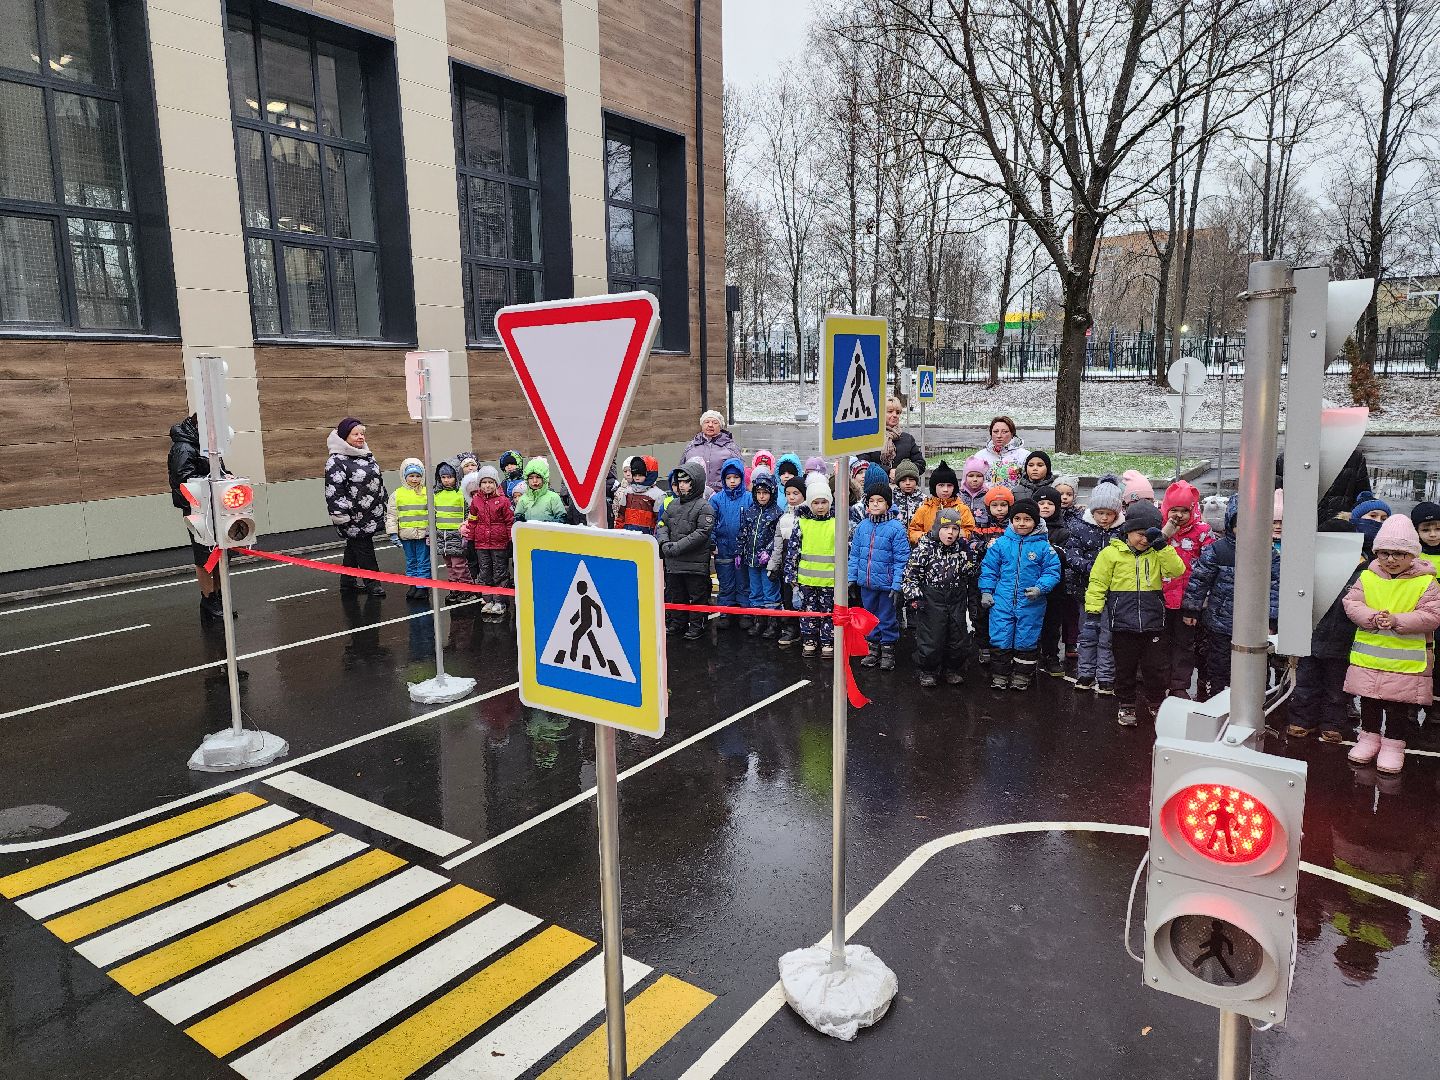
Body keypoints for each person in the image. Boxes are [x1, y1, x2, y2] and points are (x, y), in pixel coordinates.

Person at [1342, 515, 1440, 775]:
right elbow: (1351, 603)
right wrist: (1371, 618)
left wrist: (1398, 620)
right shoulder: (1368, 577)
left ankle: (1394, 745)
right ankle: (1369, 738)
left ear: (1412, 555)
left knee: (1398, 707)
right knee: (1369, 702)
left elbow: (1433, 615)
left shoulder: (1426, 582)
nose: (1391, 559)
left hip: (1404, 662)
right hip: (1369, 659)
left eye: (1398, 553)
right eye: (1384, 553)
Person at [1086, 502, 1185, 726]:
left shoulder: (1158, 551)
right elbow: (1097, 583)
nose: (1144, 540)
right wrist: (1093, 612)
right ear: (1128, 531)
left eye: (1149, 536)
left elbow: (1177, 570)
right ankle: (1127, 704)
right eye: (1140, 535)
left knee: (1155, 667)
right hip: (1122, 622)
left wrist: (1162, 546)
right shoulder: (1110, 554)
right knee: (1125, 667)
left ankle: (1157, 702)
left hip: (1153, 621)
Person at [1181, 494, 1280, 698]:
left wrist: (1272, 617)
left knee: (1256, 662)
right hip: (1220, 622)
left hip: (1254, 623)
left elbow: (1276, 586)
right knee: (1219, 662)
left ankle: (1254, 698)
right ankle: (1217, 694)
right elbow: (1199, 580)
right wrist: (1192, 608)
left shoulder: (1268, 553)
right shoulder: (1218, 550)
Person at [979, 498, 1061, 690]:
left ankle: (1022, 675)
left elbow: (1052, 572)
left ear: (1035, 521)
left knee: (1026, 637)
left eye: (1027, 519)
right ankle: (1000, 674)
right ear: (1011, 520)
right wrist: (986, 591)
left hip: (1031, 602)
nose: (1022, 523)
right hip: (1002, 601)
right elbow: (989, 569)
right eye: (1017, 518)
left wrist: (1041, 587)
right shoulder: (1001, 544)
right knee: (1000, 636)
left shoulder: (1044, 547)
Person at [903, 507, 977, 687]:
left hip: (956, 598)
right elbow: (910, 576)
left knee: (957, 636)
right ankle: (928, 670)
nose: (950, 533)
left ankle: (951, 668)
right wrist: (914, 597)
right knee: (932, 637)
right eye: (945, 528)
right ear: (937, 528)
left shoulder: (962, 550)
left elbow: (971, 573)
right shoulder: (924, 549)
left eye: (954, 529)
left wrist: (974, 552)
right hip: (931, 599)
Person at [1064, 477, 1125, 693]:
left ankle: (1106, 676)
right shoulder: (1080, 528)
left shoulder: (1122, 532)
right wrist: (1094, 568)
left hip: (1112, 594)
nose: (1104, 518)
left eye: (1109, 514)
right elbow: (1071, 554)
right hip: (1086, 592)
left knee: (1107, 637)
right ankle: (1085, 673)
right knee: (1087, 634)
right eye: (1100, 513)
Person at [168, 413, 229, 621]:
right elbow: (184, 480)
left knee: (220, 553)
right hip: (196, 508)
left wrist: (226, 477)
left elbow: (218, 470)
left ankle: (219, 596)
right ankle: (208, 598)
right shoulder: (184, 447)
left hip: (214, 506)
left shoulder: (207, 445)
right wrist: (214, 481)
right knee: (204, 556)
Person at [1159, 480, 1215, 698]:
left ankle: (1179, 685)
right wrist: (1165, 533)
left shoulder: (1202, 532)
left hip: (1188, 599)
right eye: (1174, 510)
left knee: (1185, 644)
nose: (1179, 516)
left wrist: (1199, 601)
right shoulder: (1161, 531)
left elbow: (1208, 566)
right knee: (1160, 642)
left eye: (1185, 510)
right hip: (1161, 598)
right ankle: (1159, 681)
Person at [849, 479, 911, 671]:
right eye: (871, 501)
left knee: (886, 617)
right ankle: (873, 648)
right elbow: (855, 555)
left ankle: (888, 650)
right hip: (867, 584)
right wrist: (851, 578)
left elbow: (902, 559)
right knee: (869, 617)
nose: (875, 504)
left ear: (888, 504)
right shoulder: (862, 527)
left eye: (880, 501)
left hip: (886, 585)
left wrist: (897, 584)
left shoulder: (896, 528)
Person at [324, 416, 387, 597]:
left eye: (362, 433)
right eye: (355, 434)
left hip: (371, 512)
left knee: (354, 546)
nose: (360, 437)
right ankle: (373, 583)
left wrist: (385, 502)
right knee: (364, 546)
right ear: (345, 437)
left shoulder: (367, 455)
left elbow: (377, 482)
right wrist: (340, 514)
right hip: (353, 516)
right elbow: (334, 490)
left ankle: (348, 582)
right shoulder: (336, 461)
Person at [657, 460, 716, 640]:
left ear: (696, 482)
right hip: (674, 564)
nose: (681, 485)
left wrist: (676, 547)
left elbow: (702, 533)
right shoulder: (673, 504)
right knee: (677, 595)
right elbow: (662, 524)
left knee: (697, 596)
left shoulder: (705, 507)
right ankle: (678, 623)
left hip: (694, 565)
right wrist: (664, 543)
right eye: (679, 481)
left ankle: (697, 625)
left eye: (686, 481)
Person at [785, 476, 838, 658]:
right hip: (806, 580)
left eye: (824, 502)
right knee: (808, 612)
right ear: (810, 503)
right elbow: (793, 551)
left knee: (827, 613)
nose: (820, 506)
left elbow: (844, 551)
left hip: (830, 581)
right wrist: (791, 578)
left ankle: (828, 641)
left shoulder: (836, 523)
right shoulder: (802, 522)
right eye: (816, 502)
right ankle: (809, 640)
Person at [968, 485, 1013, 664]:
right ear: (988, 507)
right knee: (981, 613)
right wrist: (983, 546)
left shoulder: (1013, 527)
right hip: (982, 575)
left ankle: (1000, 646)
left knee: (1001, 613)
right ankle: (983, 646)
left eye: (1003, 505)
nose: (1000, 509)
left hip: (1004, 578)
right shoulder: (981, 525)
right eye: (995, 505)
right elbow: (970, 543)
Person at [463, 465, 515, 616]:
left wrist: (510, 539)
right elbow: (472, 520)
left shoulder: (503, 501)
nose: (487, 485)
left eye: (490, 482)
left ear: (496, 484)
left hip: (499, 543)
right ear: (479, 484)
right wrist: (470, 539)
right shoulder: (476, 501)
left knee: (500, 572)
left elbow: (509, 522)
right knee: (485, 571)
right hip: (481, 543)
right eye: (484, 482)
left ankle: (500, 601)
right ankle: (488, 599)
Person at [738, 469, 783, 637]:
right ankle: (759, 621)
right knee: (755, 591)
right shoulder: (750, 512)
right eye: (758, 493)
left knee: (770, 591)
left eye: (765, 493)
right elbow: (743, 532)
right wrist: (739, 552)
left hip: (768, 561)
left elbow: (778, 537)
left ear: (771, 493)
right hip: (751, 560)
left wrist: (768, 551)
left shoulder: (777, 513)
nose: (762, 496)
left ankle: (773, 623)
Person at [1035, 486, 1074, 677]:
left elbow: (1066, 557)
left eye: (1050, 503)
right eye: (1040, 503)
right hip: (1030, 583)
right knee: (1030, 620)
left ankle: (1051, 654)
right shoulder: (1026, 527)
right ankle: (1030, 651)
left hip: (1054, 586)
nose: (1045, 507)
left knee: (1052, 622)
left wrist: (1051, 549)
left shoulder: (1063, 531)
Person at [709, 457, 751, 625]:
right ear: (724, 479)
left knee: (743, 580)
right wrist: (713, 542)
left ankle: (745, 611)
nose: (732, 481)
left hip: (743, 548)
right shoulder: (717, 500)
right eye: (728, 478)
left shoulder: (748, 498)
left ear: (741, 478)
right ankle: (726, 611)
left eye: (736, 477)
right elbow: (710, 522)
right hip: (723, 546)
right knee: (725, 580)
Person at [769, 475, 808, 648]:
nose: (791, 497)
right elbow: (778, 546)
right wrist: (773, 565)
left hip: (805, 567)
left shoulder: (808, 518)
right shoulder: (783, 519)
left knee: (806, 599)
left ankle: (808, 630)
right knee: (788, 599)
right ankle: (791, 628)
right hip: (787, 567)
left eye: (796, 493)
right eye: (788, 493)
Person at [386, 458, 430, 599]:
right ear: (404, 476)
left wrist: (431, 532)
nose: (415, 479)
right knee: (411, 561)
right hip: (405, 535)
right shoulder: (397, 494)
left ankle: (422, 586)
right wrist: (393, 534)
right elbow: (392, 516)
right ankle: (412, 583)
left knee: (423, 561)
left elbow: (432, 513)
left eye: (418, 476)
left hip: (423, 535)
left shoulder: (427, 493)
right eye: (411, 476)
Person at [907, 460, 976, 544]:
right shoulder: (924, 509)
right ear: (934, 487)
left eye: (949, 485)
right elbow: (913, 531)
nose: (945, 489)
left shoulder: (962, 509)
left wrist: (954, 535)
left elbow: (969, 530)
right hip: (930, 551)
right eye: (941, 485)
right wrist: (929, 537)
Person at [432, 461, 470, 601]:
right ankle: (454, 588)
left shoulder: (461, 494)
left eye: (450, 477)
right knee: (449, 564)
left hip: (457, 535)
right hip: (442, 536)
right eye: (443, 477)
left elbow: (468, 513)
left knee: (459, 564)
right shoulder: (436, 494)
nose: (446, 480)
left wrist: (466, 531)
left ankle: (466, 588)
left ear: (456, 477)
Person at [860, 398, 927, 476]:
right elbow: (863, 463)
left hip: (902, 486)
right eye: (890, 411)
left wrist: (901, 473)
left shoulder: (908, 439)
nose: (895, 415)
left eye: (898, 412)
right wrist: (888, 471)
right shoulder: (870, 437)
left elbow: (920, 464)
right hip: (875, 485)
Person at [681, 410, 740, 494]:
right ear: (702, 425)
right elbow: (682, 469)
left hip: (722, 494)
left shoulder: (730, 447)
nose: (710, 425)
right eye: (707, 422)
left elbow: (740, 470)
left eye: (715, 422)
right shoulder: (692, 446)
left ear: (721, 426)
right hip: (694, 494)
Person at [612, 455, 665, 535]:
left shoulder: (658, 495)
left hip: (647, 538)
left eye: (640, 475)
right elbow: (621, 515)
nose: (637, 478)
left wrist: (656, 538)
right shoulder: (628, 492)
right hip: (628, 536)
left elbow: (659, 521)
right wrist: (618, 533)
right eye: (635, 475)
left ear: (649, 474)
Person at [974, 415, 1026, 485]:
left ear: (1012, 434)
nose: (999, 436)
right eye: (995, 431)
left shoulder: (1024, 456)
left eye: (1004, 432)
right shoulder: (980, 457)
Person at [514, 457, 567, 523]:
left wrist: (549, 523)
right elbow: (517, 522)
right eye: (531, 478)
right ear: (527, 480)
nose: (534, 481)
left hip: (548, 532)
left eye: (538, 477)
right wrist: (519, 519)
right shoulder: (523, 499)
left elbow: (562, 519)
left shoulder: (553, 497)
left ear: (544, 478)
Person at [957, 457, 991, 527]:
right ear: (965, 477)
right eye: (971, 476)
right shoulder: (958, 495)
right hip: (963, 531)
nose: (975, 479)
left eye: (979, 476)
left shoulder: (988, 495)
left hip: (983, 532)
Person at [892, 459, 925, 528]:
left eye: (911, 479)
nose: (908, 483)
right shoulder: (891, 499)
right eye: (903, 480)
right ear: (898, 482)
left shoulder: (924, 500)